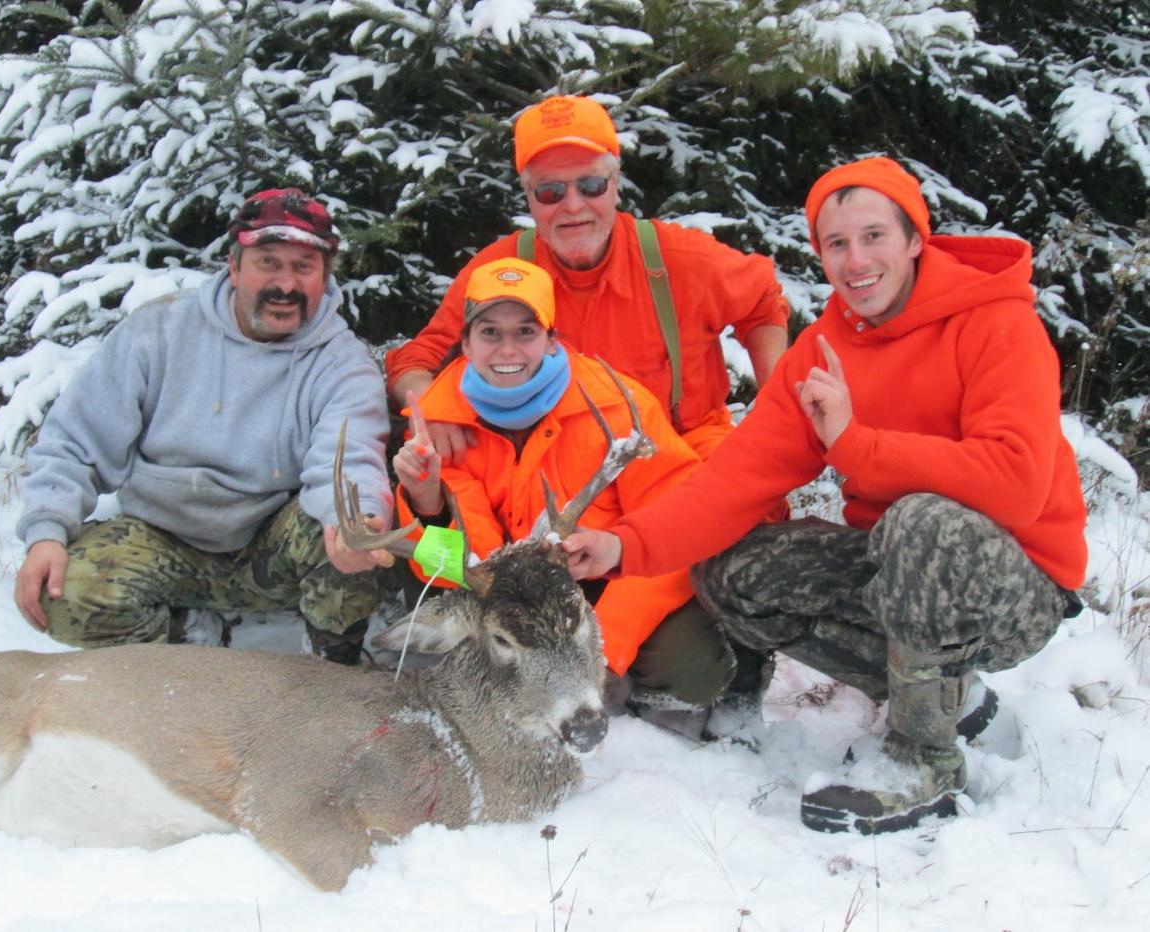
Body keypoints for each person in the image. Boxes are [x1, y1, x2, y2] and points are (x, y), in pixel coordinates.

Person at [563, 157, 1088, 834]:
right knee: (733, 569)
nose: (855, 260)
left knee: (921, 520)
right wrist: (623, 546)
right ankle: (936, 692)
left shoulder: (997, 325)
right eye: (836, 244)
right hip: (901, 570)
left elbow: (1016, 487)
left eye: (874, 237)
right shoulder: (824, 349)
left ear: (915, 241)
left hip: (1018, 587)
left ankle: (922, 761)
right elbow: (735, 481)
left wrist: (855, 443)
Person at [13, 188, 395, 663]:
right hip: (161, 534)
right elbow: (75, 441)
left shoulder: (342, 363)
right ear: (234, 267)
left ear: (324, 277)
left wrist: (353, 521)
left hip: (267, 546)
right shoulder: (157, 331)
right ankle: (188, 637)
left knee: (351, 540)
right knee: (63, 594)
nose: (286, 284)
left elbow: (348, 459)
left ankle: (328, 669)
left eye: (304, 267)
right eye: (268, 263)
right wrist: (47, 531)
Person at [393, 256, 740, 716]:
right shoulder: (440, 423)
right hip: (511, 600)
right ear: (465, 343)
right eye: (490, 332)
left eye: (526, 331)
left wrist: (604, 651)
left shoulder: (618, 407)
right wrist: (427, 502)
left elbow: (676, 530)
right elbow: (453, 567)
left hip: (608, 580)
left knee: (693, 670)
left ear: (553, 338)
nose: (507, 350)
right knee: (460, 664)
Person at [384, 94, 790, 463]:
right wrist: (435, 408)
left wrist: (777, 410)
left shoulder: (680, 260)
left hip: (682, 458)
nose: (573, 206)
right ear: (528, 196)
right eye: (550, 192)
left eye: (591, 185)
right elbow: (416, 360)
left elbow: (762, 300)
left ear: (615, 186)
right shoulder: (500, 270)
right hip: (558, 471)